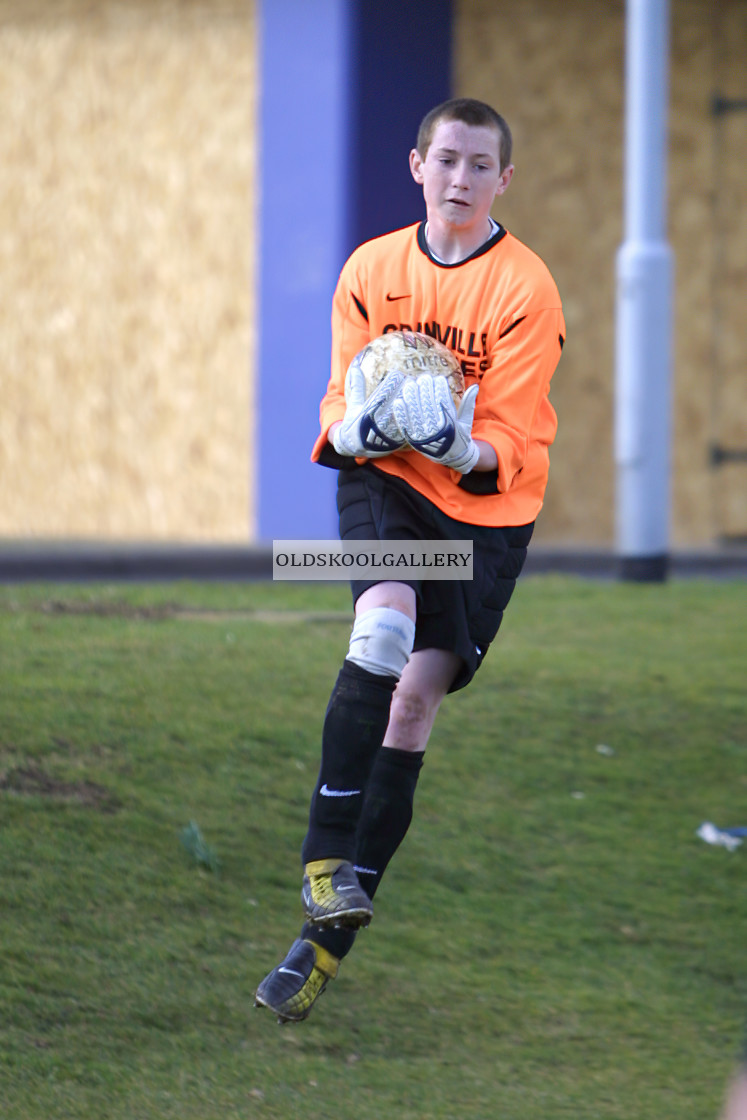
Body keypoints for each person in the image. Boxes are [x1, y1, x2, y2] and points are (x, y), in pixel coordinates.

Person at [255, 97, 565, 1023]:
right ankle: (321, 861)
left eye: (480, 166)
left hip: (485, 514)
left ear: (503, 181)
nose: (461, 180)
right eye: (447, 161)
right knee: (382, 625)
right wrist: (366, 425)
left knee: (415, 704)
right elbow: (338, 405)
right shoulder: (372, 269)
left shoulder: (525, 288)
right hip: (383, 483)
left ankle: (320, 949)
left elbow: (505, 439)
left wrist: (450, 440)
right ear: (415, 166)